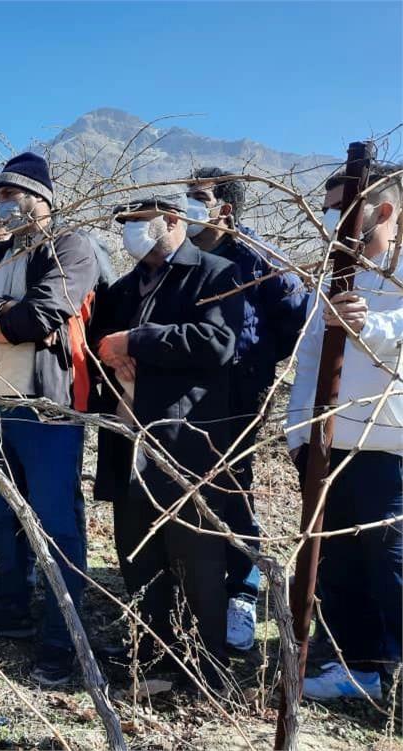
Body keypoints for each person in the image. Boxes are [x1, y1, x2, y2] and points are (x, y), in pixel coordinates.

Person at [0, 152, 101, 686]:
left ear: (43, 200)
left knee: (56, 523)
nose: (4, 204)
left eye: (14, 195)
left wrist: (0, 321)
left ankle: (61, 637)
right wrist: (5, 323)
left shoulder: (71, 246)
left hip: (46, 408)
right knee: (2, 513)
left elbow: (45, 312)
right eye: (0, 196)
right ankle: (12, 610)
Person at [91, 193, 244, 687]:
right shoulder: (121, 289)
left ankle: (207, 667)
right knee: (138, 553)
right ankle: (153, 657)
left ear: (172, 220)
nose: (131, 233)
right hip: (126, 431)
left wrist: (135, 342)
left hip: (186, 440)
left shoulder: (215, 273)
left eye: (141, 222)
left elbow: (217, 342)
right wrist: (111, 356)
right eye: (126, 224)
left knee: (197, 556)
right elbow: (98, 345)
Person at [290, 162, 402, 701]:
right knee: (338, 564)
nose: (329, 217)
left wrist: (371, 328)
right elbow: (309, 358)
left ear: (382, 211)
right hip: (330, 445)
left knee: (394, 569)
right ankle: (361, 669)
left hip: (391, 448)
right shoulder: (336, 272)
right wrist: (299, 434)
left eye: (341, 207)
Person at [186, 167, 308, 651]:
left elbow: (298, 319)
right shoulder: (189, 254)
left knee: (234, 488)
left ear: (225, 209)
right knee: (192, 485)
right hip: (189, 394)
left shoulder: (260, 259)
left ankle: (243, 588)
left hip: (239, 397)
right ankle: (195, 583)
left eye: (197, 198)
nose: (187, 206)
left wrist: (254, 363)